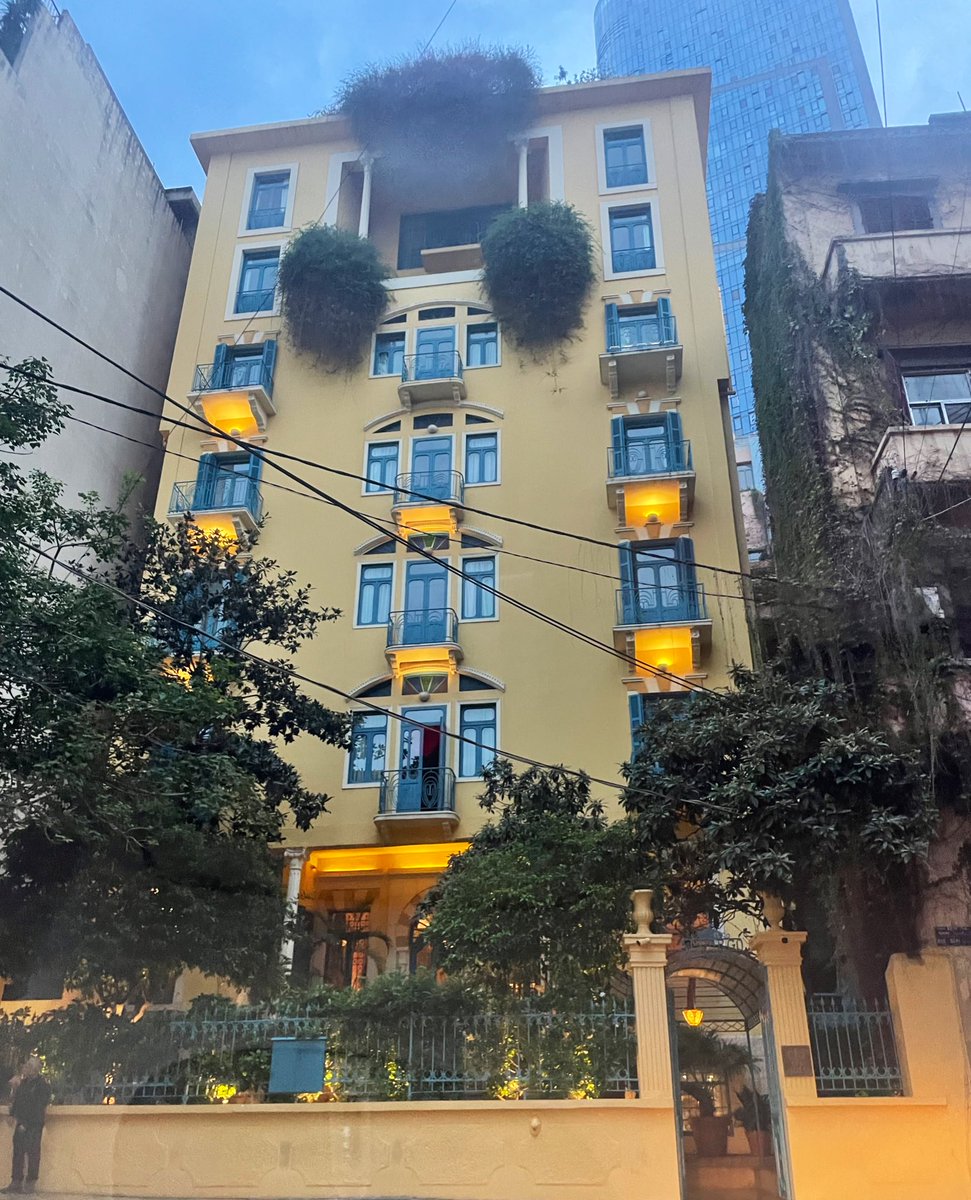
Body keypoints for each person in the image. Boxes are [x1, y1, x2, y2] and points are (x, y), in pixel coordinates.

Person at [3, 1058, 51, 1195]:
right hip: (21, 1123)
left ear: (36, 1069)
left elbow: (38, 1107)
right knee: (18, 1152)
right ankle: (16, 1181)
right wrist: (13, 1115)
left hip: (33, 1124)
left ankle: (30, 1183)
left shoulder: (42, 1085)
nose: (26, 1067)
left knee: (33, 1153)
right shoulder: (23, 1084)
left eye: (29, 1065)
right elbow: (18, 1101)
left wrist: (26, 1123)